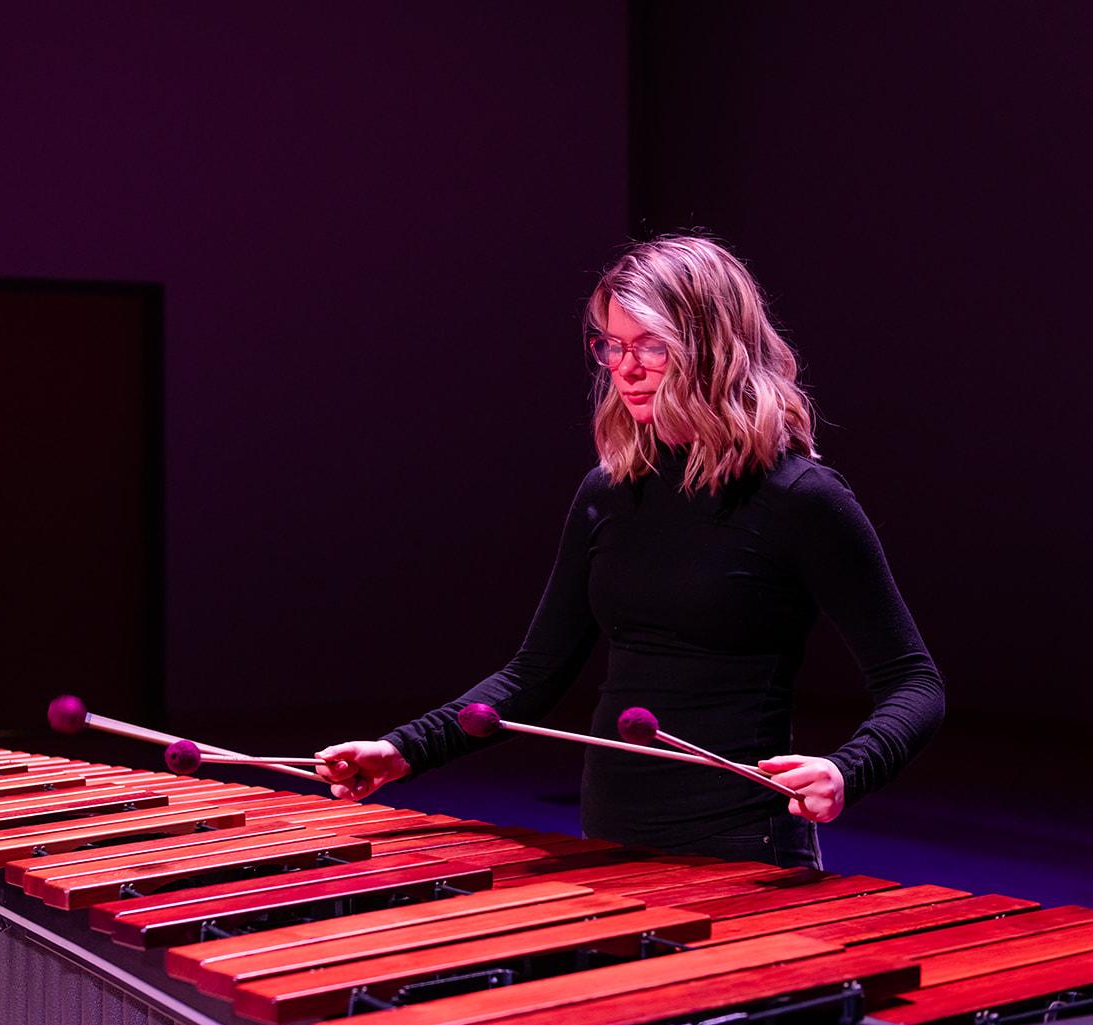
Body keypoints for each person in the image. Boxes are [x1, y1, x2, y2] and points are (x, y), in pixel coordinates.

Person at [314, 235, 945, 869]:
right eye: (612, 346)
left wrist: (845, 770)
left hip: (742, 843)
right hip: (611, 833)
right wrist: (402, 751)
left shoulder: (801, 497)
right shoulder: (608, 493)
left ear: (712, 349)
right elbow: (532, 674)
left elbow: (914, 683)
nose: (625, 368)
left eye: (650, 346)